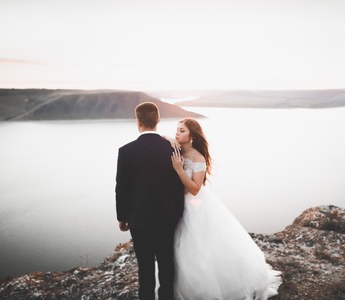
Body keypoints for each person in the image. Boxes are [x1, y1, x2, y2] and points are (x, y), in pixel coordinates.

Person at [170, 117, 282, 299]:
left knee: (199, 248)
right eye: (177, 129)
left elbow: (195, 189)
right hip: (177, 204)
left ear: (192, 136)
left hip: (195, 206)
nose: (177, 132)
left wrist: (179, 169)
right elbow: (164, 138)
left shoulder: (197, 158)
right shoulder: (176, 148)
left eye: (182, 130)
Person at [115, 102, 184, 300]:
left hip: (139, 218)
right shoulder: (171, 149)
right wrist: (178, 213)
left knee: (144, 267)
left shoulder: (126, 151)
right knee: (166, 264)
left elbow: (122, 187)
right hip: (167, 217)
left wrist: (122, 216)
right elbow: (177, 186)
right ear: (158, 120)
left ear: (138, 123)